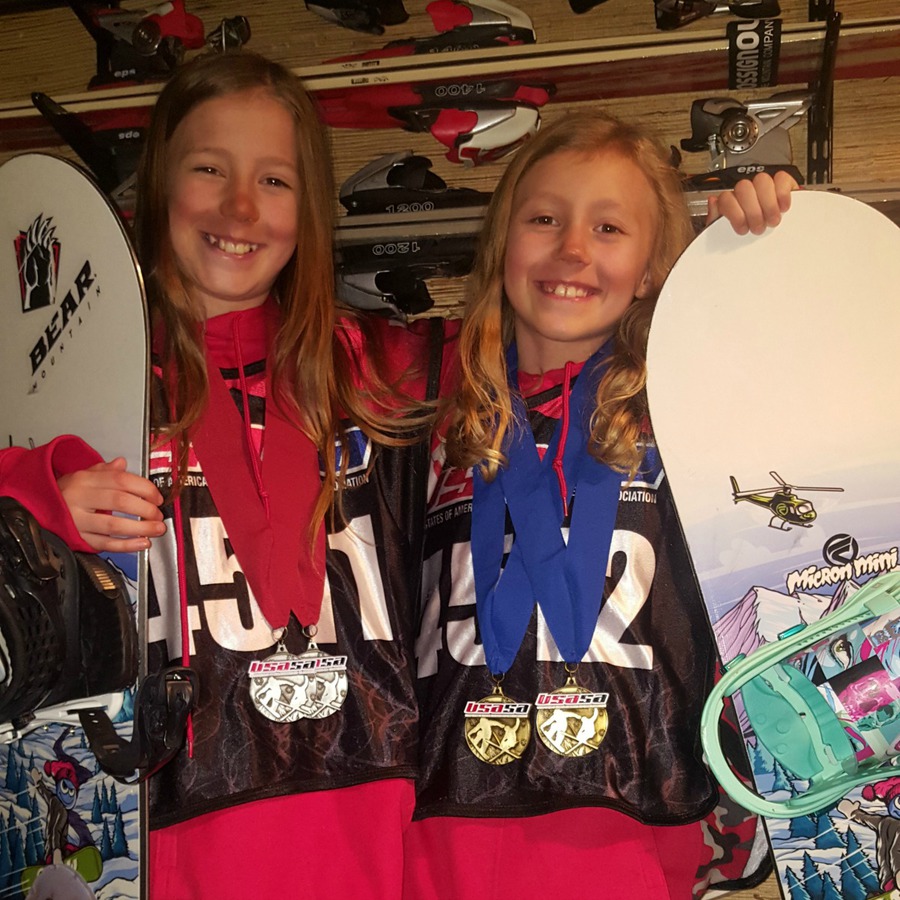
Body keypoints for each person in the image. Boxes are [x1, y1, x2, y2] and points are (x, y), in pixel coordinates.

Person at [0, 51, 445, 899]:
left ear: (309, 208)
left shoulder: (377, 368)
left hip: (362, 837)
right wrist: (31, 490)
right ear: (159, 184)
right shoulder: (83, 381)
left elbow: (555, 359)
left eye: (275, 181)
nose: (241, 207)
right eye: (210, 169)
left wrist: (718, 265)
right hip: (165, 847)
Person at [405, 109, 796, 899]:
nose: (572, 250)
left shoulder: (696, 404)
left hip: (638, 831)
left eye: (610, 228)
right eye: (544, 219)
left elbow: (820, 429)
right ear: (502, 243)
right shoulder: (425, 402)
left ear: (654, 267)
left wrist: (764, 262)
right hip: (444, 834)